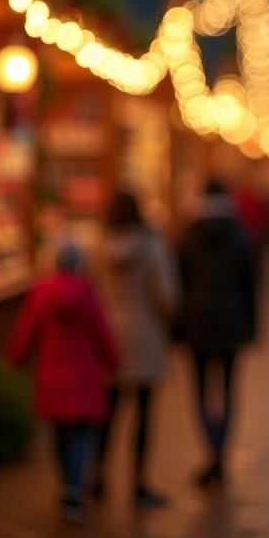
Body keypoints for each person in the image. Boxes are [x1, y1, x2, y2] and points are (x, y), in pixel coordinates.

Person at [6, 241, 119, 524]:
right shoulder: (87, 291)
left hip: (51, 374)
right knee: (82, 432)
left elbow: (26, 330)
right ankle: (75, 487)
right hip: (83, 375)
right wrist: (114, 361)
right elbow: (101, 331)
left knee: (58, 432)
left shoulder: (41, 292)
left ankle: (65, 484)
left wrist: (16, 359)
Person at [91, 190, 180, 507]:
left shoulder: (98, 247)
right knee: (144, 415)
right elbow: (167, 296)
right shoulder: (153, 247)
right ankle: (138, 485)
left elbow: (93, 290)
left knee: (107, 413)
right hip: (146, 336)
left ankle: (97, 477)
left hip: (109, 337)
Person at [175, 179, 257, 487]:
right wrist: (252, 328)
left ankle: (211, 450)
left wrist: (177, 329)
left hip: (196, 322)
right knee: (227, 389)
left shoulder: (187, 236)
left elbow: (179, 285)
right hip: (232, 321)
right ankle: (221, 452)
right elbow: (251, 287)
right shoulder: (241, 235)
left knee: (199, 391)